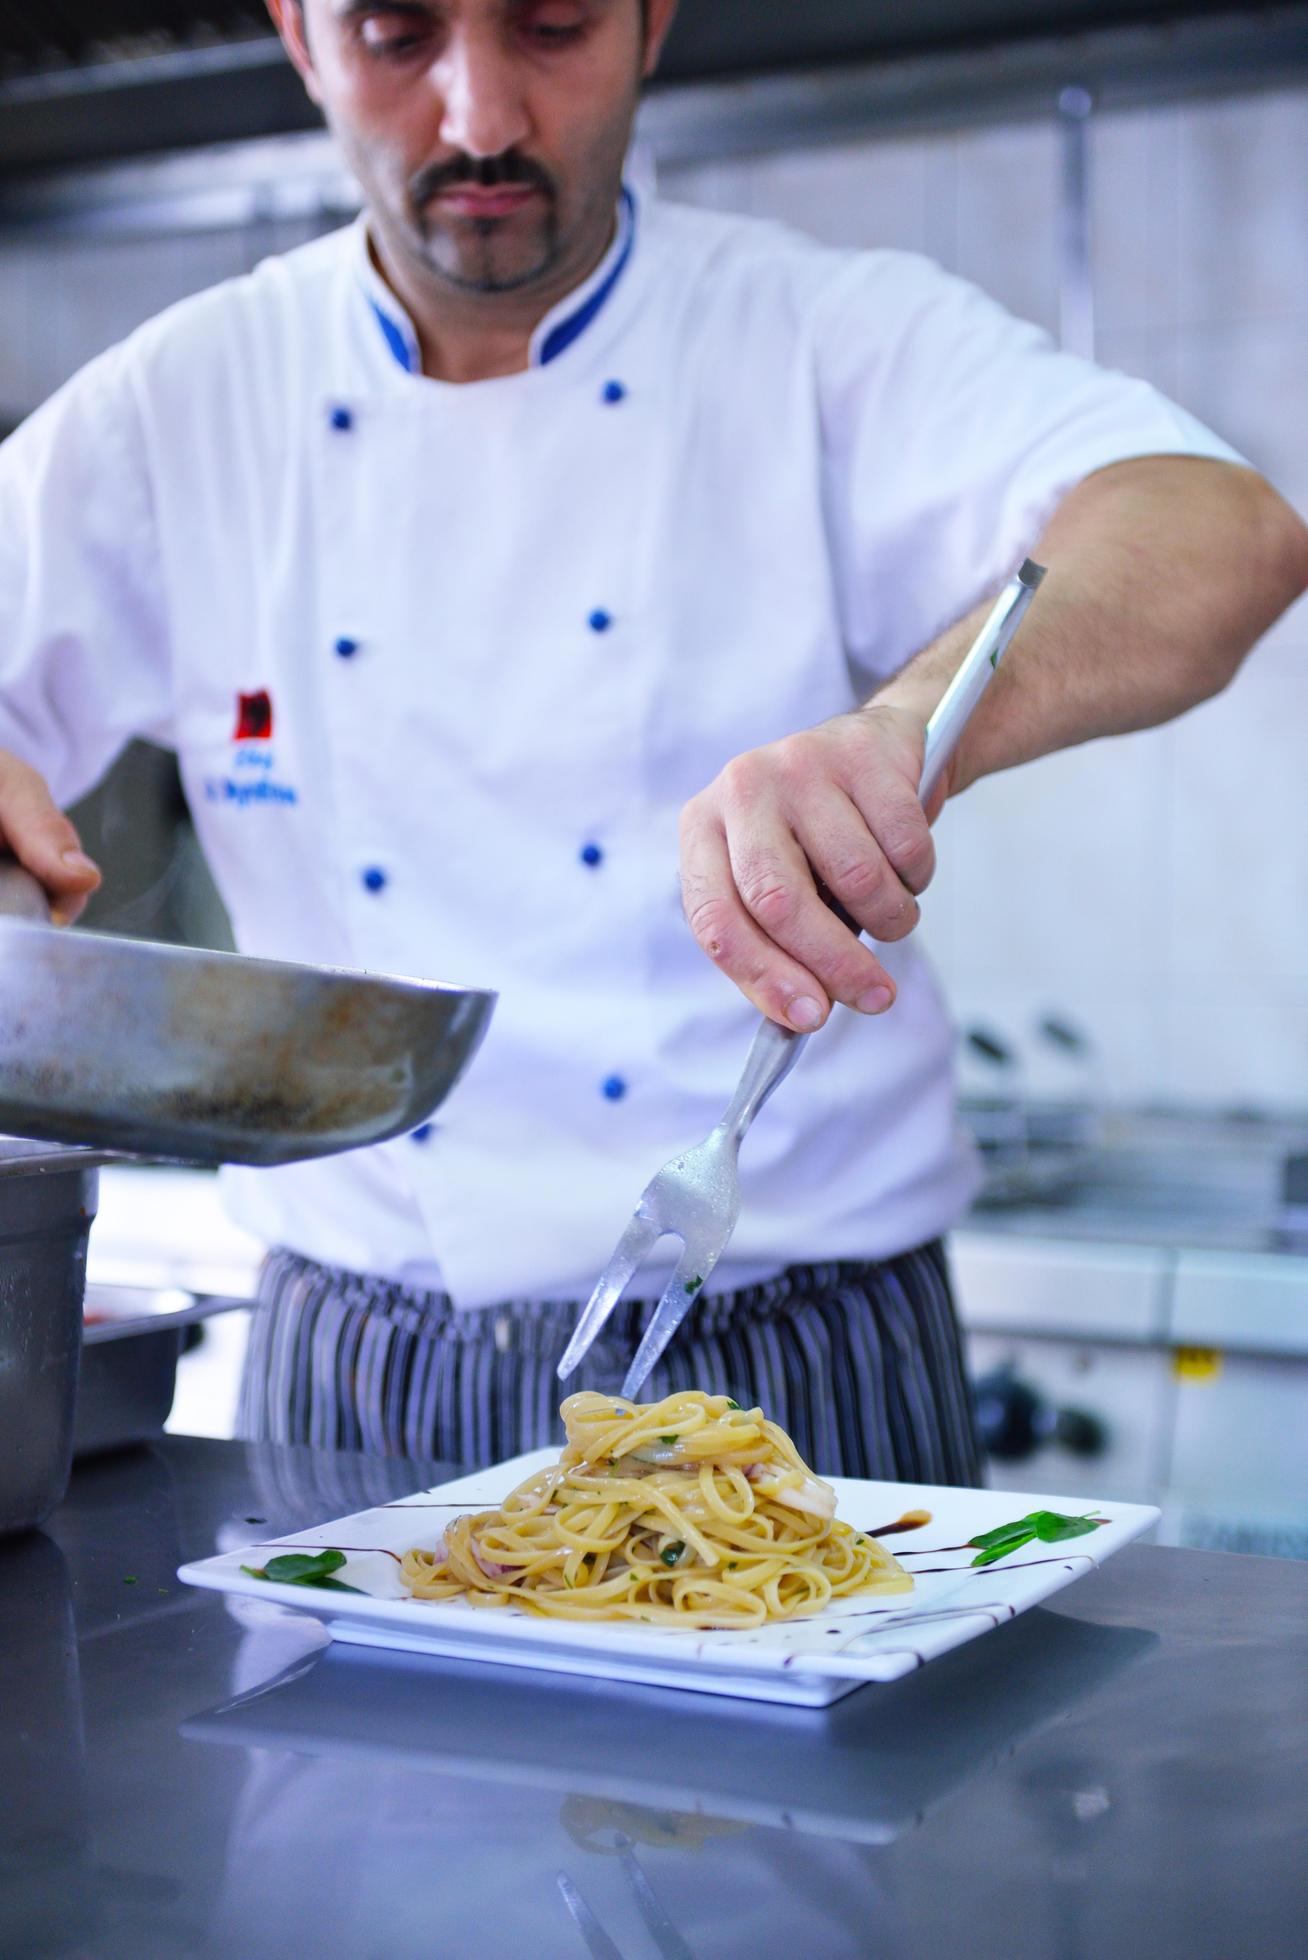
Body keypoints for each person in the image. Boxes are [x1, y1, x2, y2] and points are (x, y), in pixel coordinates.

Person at [1, 0, 1305, 1480]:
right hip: (356, 1358)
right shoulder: (185, 399)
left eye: (551, 26)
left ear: (652, 20)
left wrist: (901, 728)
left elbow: (1219, 526)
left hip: (801, 1357)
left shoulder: (814, 333)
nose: (481, 116)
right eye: (395, 36)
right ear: (300, 37)